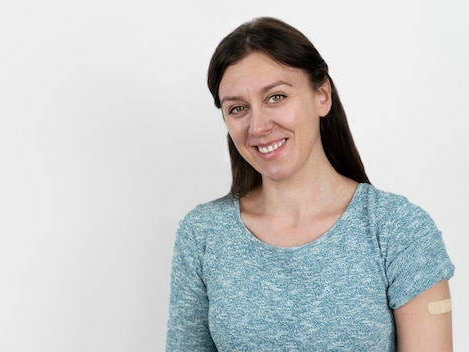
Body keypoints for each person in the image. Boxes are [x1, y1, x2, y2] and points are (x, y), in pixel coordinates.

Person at [166, 17, 455, 351]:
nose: (258, 126)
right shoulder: (202, 235)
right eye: (238, 108)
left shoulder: (399, 230)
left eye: (276, 97)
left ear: (322, 95)